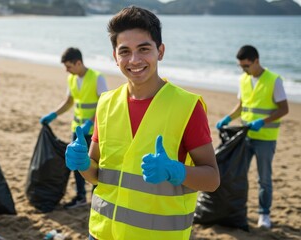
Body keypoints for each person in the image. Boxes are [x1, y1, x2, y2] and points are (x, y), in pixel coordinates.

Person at [65, 6, 220, 239]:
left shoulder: (187, 106)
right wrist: (83, 164)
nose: (134, 60)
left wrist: (176, 170)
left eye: (144, 49)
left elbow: (212, 180)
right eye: (124, 51)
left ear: (161, 51)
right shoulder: (106, 103)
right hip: (101, 233)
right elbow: (97, 175)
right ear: (115, 57)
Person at [216, 45, 289, 229]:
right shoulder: (243, 79)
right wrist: (228, 118)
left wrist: (263, 122)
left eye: (246, 66)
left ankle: (264, 214)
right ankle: (240, 209)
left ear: (256, 61)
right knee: (239, 175)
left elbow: (284, 109)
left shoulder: (274, 80)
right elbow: (242, 106)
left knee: (263, 178)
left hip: (265, 138)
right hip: (245, 135)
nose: (244, 70)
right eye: (241, 67)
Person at [40, 47, 108, 209]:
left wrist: (91, 123)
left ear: (78, 63)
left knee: (94, 164)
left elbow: (104, 105)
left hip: (94, 132)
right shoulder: (72, 79)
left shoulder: (97, 78)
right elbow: (69, 101)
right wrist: (53, 115)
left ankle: (95, 198)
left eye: (69, 66)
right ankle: (80, 197)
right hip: (77, 129)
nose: (66, 70)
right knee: (78, 165)